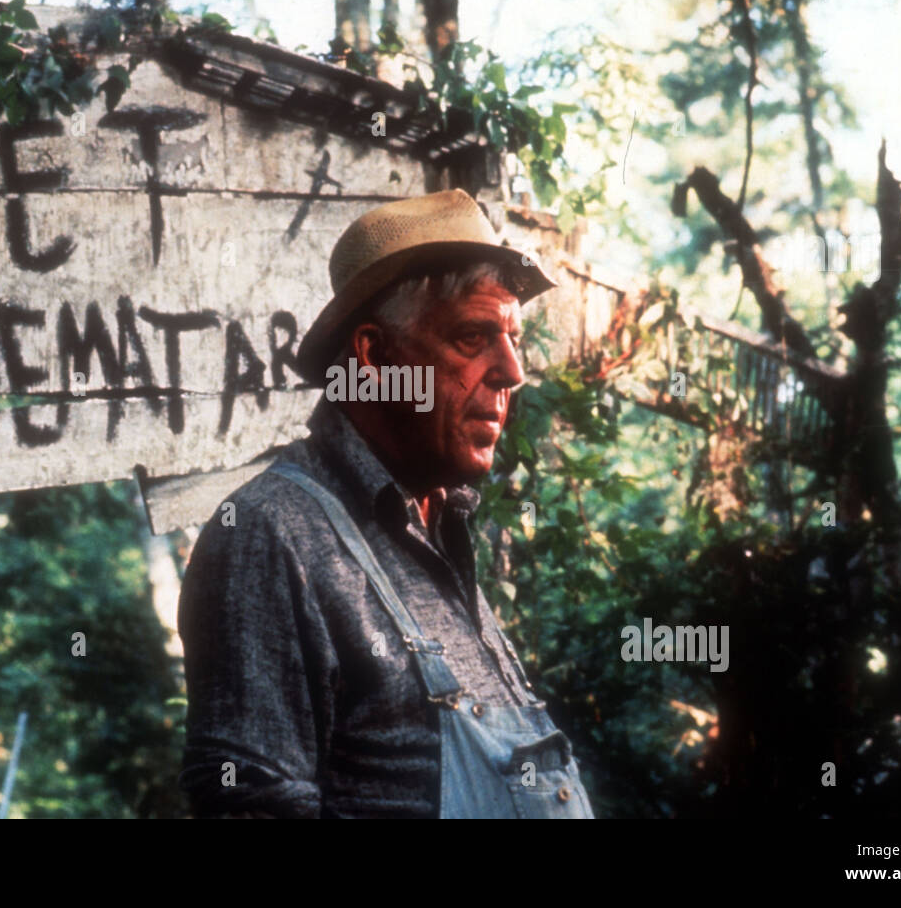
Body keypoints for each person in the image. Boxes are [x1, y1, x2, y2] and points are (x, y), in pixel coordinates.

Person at [177, 188, 595, 818]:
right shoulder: (272, 534)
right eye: (473, 337)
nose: (511, 372)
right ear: (374, 357)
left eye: (512, 339)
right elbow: (249, 799)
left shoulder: (438, 527)